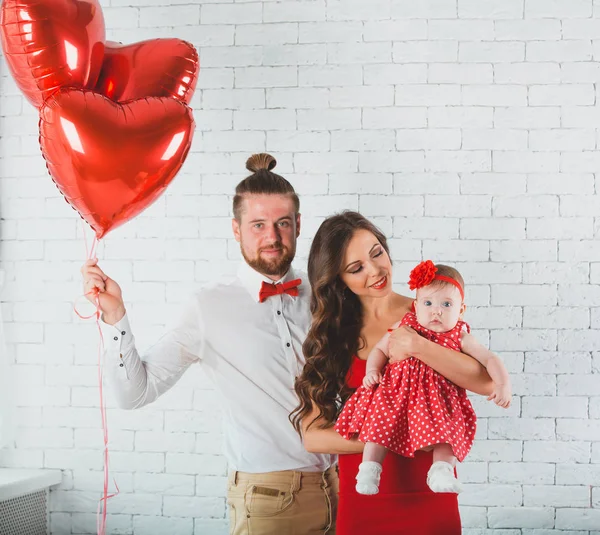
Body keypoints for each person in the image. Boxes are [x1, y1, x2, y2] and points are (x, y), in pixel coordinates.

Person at [81, 153, 337, 535]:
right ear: (236, 230)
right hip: (269, 500)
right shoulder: (208, 307)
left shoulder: (321, 294)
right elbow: (135, 393)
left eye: (283, 223)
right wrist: (116, 316)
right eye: (258, 225)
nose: (272, 237)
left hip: (340, 488)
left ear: (298, 225)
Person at [291, 212, 494, 535]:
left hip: (430, 493)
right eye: (356, 268)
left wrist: (417, 346)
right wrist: (394, 434)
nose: (375, 271)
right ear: (338, 279)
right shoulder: (335, 335)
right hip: (365, 498)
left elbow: (485, 382)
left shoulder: (430, 311)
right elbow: (313, 436)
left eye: (377, 253)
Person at [335, 260, 512, 496]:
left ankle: (441, 471)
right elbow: (379, 350)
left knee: (449, 428)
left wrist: (502, 384)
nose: (436, 310)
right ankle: (369, 469)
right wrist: (372, 372)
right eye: (428, 303)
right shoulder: (405, 326)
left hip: (438, 400)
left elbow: (490, 359)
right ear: (416, 306)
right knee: (379, 423)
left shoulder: (460, 336)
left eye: (446, 304)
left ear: (461, 310)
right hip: (396, 394)